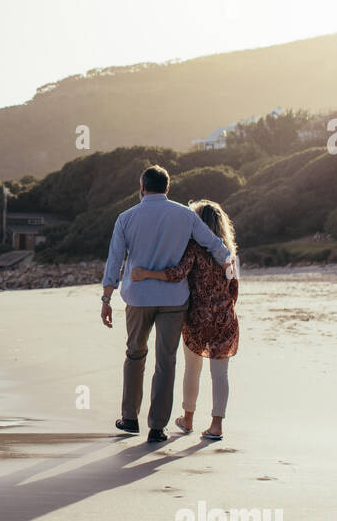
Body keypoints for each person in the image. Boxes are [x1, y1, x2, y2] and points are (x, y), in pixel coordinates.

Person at [100, 166, 232, 444]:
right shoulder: (185, 216)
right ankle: (158, 427)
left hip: (139, 297)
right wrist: (227, 264)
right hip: (174, 300)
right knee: (166, 361)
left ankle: (130, 418)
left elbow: (115, 261)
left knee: (135, 354)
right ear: (168, 188)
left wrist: (107, 297)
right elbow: (213, 244)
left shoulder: (125, 218)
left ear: (142, 187)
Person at [131, 200, 239, 441]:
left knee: (193, 368)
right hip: (225, 316)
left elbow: (176, 274)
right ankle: (216, 425)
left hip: (198, 317)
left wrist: (146, 273)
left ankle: (188, 419)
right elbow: (234, 287)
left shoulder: (194, 249)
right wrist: (224, 309)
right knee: (220, 373)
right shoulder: (229, 253)